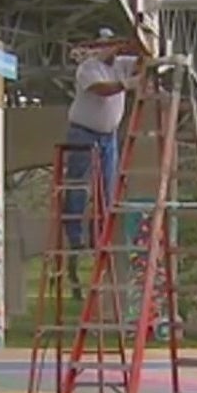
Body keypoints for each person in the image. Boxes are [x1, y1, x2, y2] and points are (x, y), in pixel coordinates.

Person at [61, 29, 141, 296]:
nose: (111, 50)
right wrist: (127, 84)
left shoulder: (121, 64)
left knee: (107, 188)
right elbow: (102, 90)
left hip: (109, 136)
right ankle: (75, 236)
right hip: (83, 132)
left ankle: (99, 235)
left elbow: (143, 63)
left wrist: (138, 46)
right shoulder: (88, 68)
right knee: (78, 185)